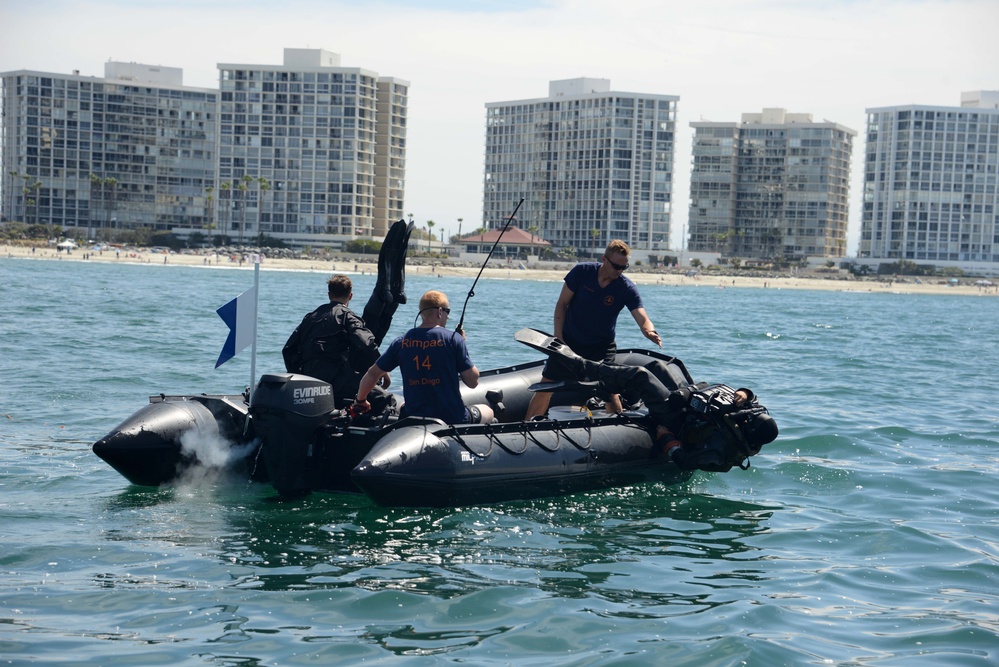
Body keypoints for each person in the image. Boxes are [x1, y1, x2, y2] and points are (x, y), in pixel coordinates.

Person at [525, 239, 663, 419]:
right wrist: (558, 337)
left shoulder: (626, 288)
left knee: (609, 389)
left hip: (601, 346)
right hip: (569, 341)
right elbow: (562, 304)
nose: (619, 271)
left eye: (624, 267)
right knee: (547, 386)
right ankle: (527, 425)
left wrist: (649, 331)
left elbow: (642, 316)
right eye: (616, 266)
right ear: (604, 259)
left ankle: (616, 427)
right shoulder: (582, 272)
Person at [354, 290, 494, 424]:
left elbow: (372, 374)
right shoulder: (454, 339)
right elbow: (472, 382)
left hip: (414, 416)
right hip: (452, 417)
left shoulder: (401, 342)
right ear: (440, 312)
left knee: (401, 404)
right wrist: (462, 346)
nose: (448, 316)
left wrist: (360, 401)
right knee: (488, 411)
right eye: (447, 312)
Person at [282, 274, 386, 406]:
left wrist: (300, 376)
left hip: (309, 380)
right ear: (350, 296)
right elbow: (366, 344)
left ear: (329, 294)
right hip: (337, 380)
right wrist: (381, 369)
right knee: (384, 398)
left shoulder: (310, 317)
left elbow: (288, 350)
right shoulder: (347, 317)